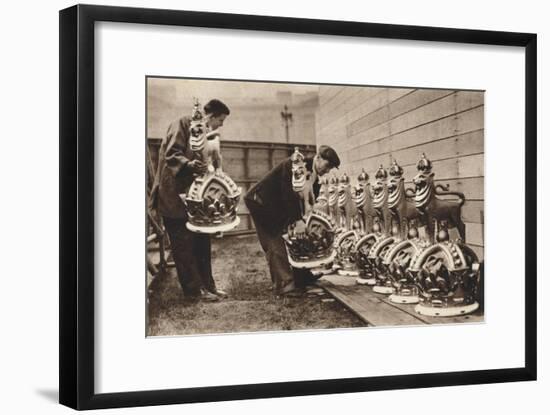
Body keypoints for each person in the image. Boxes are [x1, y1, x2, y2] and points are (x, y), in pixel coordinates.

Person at [149, 99, 230, 303]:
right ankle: (194, 292)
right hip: (173, 197)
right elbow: (172, 154)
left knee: (202, 241)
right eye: (220, 120)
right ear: (210, 116)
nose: (221, 125)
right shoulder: (182, 124)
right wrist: (190, 165)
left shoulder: (205, 134)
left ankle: (208, 286)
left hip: (193, 199)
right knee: (183, 246)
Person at [245, 145, 341, 296]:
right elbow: (288, 194)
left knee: (297, 239)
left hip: (278, 206)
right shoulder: (295, 165)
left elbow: (307, 201)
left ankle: (302, 277)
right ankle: (285, 285)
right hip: (261, 203)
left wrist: (305, 220)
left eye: (331, 169)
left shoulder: (315, 176)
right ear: (318, 158)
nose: (327, 171)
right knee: (274, 241)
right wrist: (298, 221)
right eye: (327, 166)